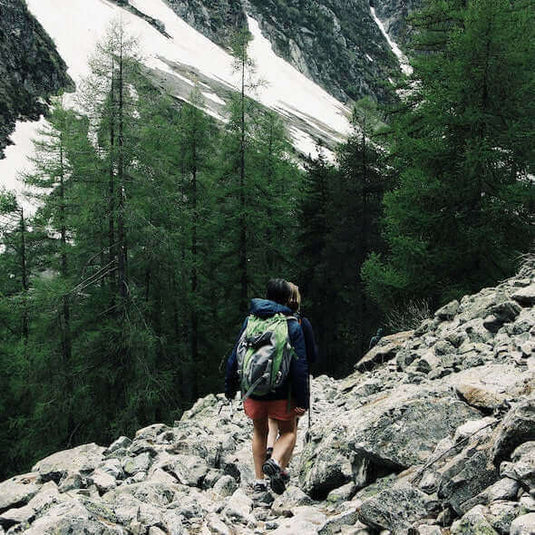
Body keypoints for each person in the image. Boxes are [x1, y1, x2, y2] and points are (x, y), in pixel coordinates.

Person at [225, 279, 309, 496]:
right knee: (289, 431)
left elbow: (234, 356)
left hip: (253, 391)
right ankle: (275, 462)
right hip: (283, 392)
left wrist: (230, 387)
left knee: (259, 431)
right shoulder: (291, 324)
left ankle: (259, 481)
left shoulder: (251, 320)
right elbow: (300, 367)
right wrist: (303, 400)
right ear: (287, 298)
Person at [266, 283, 318, 477]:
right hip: (288, 387)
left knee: (271, 420)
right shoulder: (301, 324)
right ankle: (280, 467)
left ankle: (270, 447)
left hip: (267, 381)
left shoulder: (268, 322)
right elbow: (311, 356)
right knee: (291, 427)